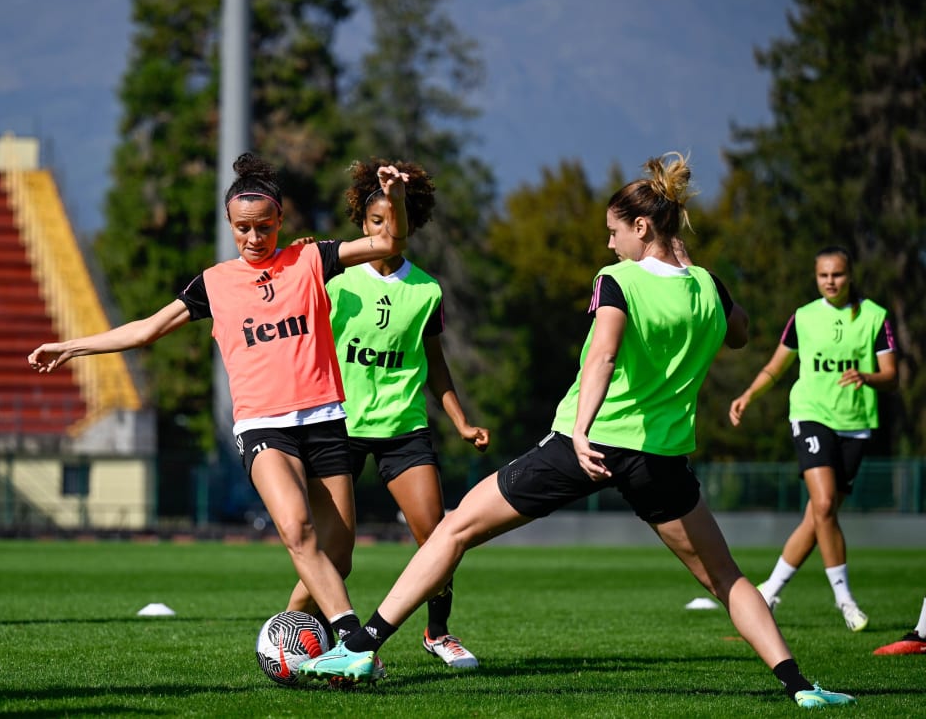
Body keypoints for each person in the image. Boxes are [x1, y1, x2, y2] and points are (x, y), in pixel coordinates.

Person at [298, 153, 855, 709]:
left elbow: (603, 358)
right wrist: (695, 270)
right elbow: (740, 333)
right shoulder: (708, 286)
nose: (610, 245)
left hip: (587, 443)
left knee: (455, 528)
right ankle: (801, 687)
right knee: (726, 577)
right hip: (660, 459)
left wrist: (583, 431)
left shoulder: (619, 280)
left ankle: (363, 646)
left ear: (641, 227)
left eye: (615, 232)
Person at [29, 152, 409, 646]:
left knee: (338, 554)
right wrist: (72, 346)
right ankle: (352, 642)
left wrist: (395, 198)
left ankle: (289, 636)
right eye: (243, 229)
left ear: (280, 220)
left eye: (264, 227)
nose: (254, 239)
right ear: (229, 225)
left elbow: (387, 241)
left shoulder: (312, 258)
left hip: (324, 417)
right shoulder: (213, 283)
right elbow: (147, 330)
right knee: (298, 531)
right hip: (263, 426)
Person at [289, 158, 490, 668]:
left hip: (404, 427)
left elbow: (436, 364)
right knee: (338, 550)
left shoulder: (426, 290)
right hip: (339, 425)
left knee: (438, 534)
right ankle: (293, 632)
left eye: (392, 221)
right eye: (374, 222)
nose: (384, 230)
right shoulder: (336, 282)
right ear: (362, 224)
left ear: (409, 225)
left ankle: (438, 632)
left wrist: (460, 420)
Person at [729, 246, 896, 632]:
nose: (830, 282)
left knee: (818, 516)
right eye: (823, 275)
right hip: (810, 414)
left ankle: (768, 591)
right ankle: (845, 599)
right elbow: (776, 365)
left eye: (837, 275)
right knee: (822, 504)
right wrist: (748, 395)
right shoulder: (802, 317)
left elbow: (892, 375)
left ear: (849, 275)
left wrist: (867, 377)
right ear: (816, 277)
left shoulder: (875, 318)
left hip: (855, 423)